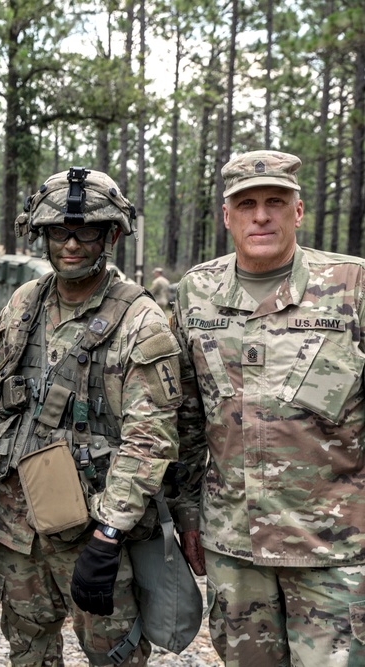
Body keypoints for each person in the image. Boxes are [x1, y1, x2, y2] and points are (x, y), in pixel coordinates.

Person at [0, 167, 203, 666]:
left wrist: (110, 534)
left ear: (112, 235)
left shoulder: (140, 323)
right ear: (42, 236)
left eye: (86, 231)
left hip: (92, 532)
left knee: (115, 655)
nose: (71, 244)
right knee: (27, 649)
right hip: (17, 527)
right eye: (58, 232)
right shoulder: (24, 303)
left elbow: (151, 441)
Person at [173, 149, 365, 666]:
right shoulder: (196, 293)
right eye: (248, 204)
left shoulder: (352, 286)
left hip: (335, 548)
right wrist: (188, 515)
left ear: (297, 211)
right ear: (227, 215)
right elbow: (187, 418)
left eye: (275, 202)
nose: (262, 216)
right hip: (234, 545)